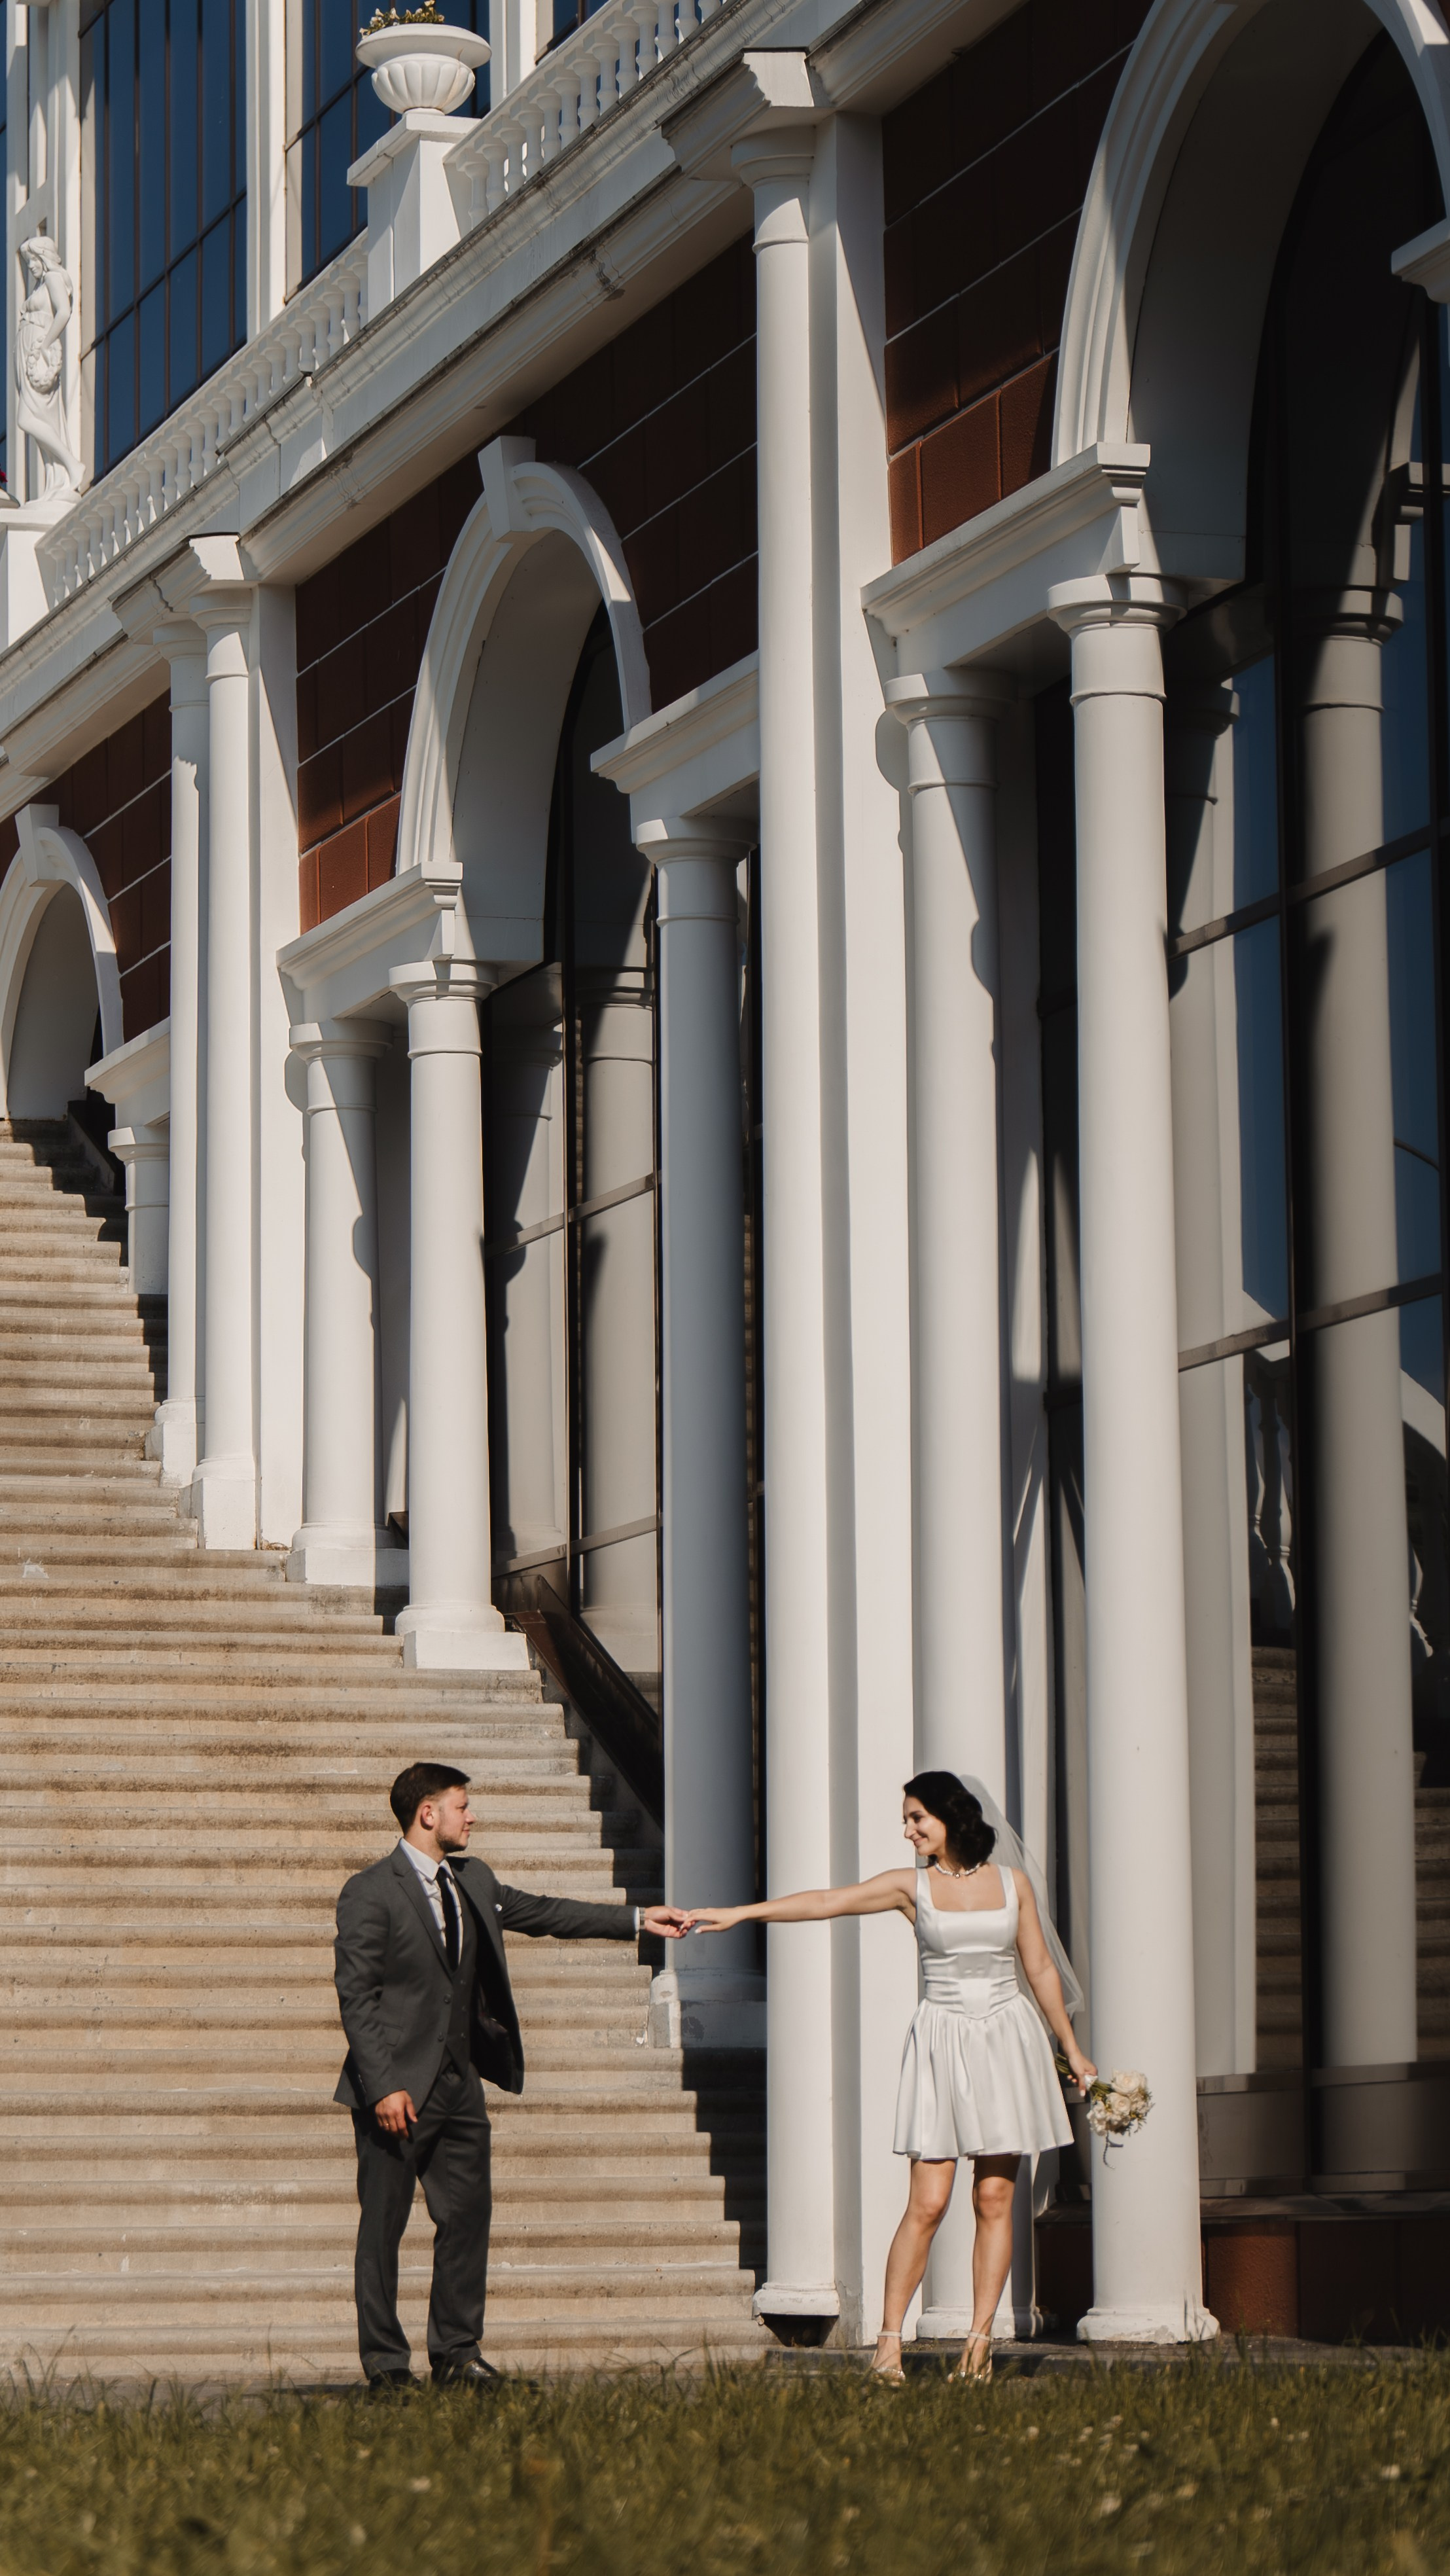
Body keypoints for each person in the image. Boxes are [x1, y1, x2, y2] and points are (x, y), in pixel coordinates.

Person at [684, 1769, 1094, 2384]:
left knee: (995, 2197)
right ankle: (888, 2344)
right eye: (906, 1820)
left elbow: (1038, 1968)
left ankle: (979, 2345)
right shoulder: (912, 1887)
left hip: (1007, 2039)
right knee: (927, 2202)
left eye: (915, 1818)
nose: (907, 1831)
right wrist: (739, 1914)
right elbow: (828, 1901)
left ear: (949, 1816)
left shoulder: (1014, 1885)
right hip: (942, 2038)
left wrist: (1072, 2048)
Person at [333, 1760, 688, 2391]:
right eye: (462, 1806)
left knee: (467, 2219)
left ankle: (457, 2354)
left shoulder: (474, 1880)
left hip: (460, 2086)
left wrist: (638, 1921)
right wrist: (383, 2085)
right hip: (396, 2090)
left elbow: (547, 1912)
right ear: (428, 1813)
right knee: (382, 2229)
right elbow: (356, 1996)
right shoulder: (371, 1891)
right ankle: (387, 2365)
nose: (472, 1817)